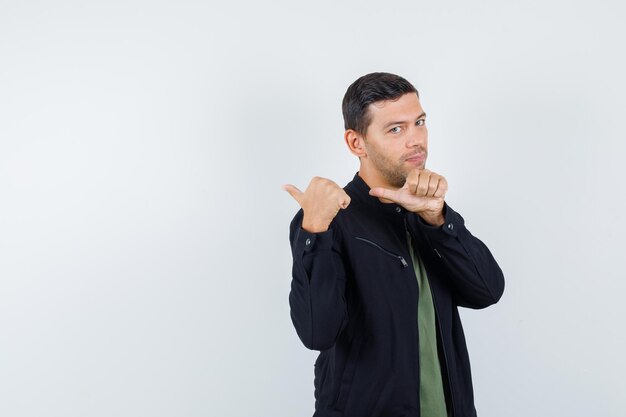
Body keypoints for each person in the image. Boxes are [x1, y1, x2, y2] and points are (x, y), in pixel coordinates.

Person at [283, 72, 505, 417]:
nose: (416, 140)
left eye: (419, 122)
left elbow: (487, 291)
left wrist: (438, 220)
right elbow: (317, 332)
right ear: (357, 143)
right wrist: (316, 229)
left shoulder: (426, 212)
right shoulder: (328, 218)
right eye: (396, 129)